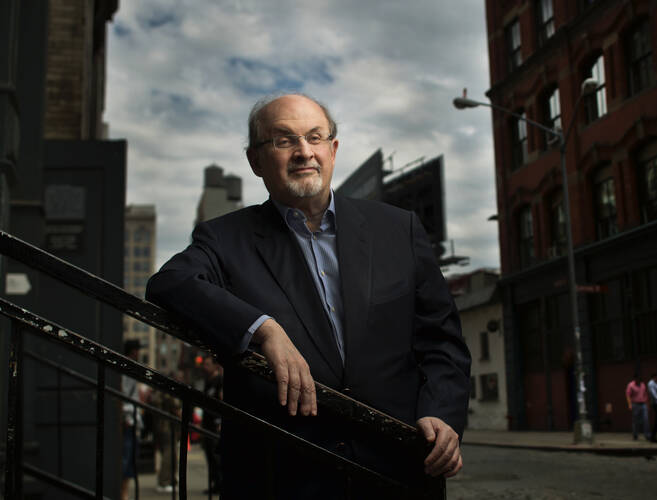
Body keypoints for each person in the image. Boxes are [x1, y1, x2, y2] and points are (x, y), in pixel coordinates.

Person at [146, 93, 471, 499]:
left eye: (315, 137)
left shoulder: (398, 229)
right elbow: (170, 282)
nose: (304, 152)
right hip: (282, 477)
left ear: (333, 150)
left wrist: (441, 413)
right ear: (256, 161)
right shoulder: (226, 238)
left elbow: (442, 342)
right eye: (284, 140)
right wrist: (262, 329)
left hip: (398, 470)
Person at [121, 340, 144, 500]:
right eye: (137, 350)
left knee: (129, 461)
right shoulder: (126, 369)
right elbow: (123, 397)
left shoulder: (129, 368)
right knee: (126, 459)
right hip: (129, 420)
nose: (138, 353)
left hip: (132, 419)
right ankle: (124, 493)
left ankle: (125, 493)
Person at [151, 375, 181, 494]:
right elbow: (176, 408)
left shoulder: (158, 392)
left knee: (167, 453)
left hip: (161, 426)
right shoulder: (169, 394)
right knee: (169, 455)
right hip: (169, 427)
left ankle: (169, 480)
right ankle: (165, 481)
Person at [201, 356, 223, 495]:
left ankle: (220, 484)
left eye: (207, 364)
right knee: (209, 455)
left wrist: (220, 422)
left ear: (215, 366)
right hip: (207, 423)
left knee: (216, 456)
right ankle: (215, 483)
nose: (205, 367)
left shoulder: (219, 380)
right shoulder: (207, 381)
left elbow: (222, 401)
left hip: (215, 424)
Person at [625, 373, 650, 441]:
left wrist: (647, 404)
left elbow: (645, 395)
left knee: (646, 419)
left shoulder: (643, 385)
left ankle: (647, 435)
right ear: (635, 379)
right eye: (637, 379)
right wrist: (629, 404)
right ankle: (635, 434)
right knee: (636, 421)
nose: (638, 380)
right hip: (635, 404)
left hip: (643, 404)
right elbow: (628, 395)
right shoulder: (631, 385)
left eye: (639, 379)